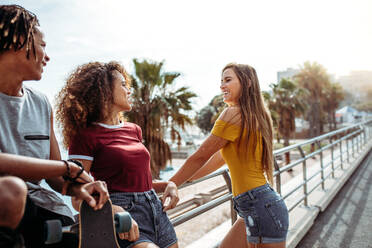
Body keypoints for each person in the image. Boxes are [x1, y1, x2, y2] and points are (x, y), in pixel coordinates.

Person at [0, 5, 110, 247]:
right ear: (19, 41)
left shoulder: (40, 103)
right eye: (43, 46)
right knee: (12, 191)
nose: (47, 57)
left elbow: (55, 180)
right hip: (10, 209)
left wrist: (77, 188)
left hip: (47, 211)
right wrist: (67, 168)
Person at [55, 61, 179, 248]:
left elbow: (135, 182)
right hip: (123, 217)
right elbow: (78, 196)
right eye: (123, 84)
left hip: (156, 210)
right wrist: (111, 210)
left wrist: (169, 184)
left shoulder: (134, 130)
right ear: (104, 91)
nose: (129, 90)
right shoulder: (85, 137)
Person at [169, 63, 289, 248]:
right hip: (258, 205)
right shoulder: (255, 116)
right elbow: (216, 159)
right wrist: (185, 179)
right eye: (221, 81)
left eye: (228, 80)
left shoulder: (233, 114)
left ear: (247, 82)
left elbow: (200, 156)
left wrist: (171, 183)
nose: (222, 86)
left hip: (259, 206)